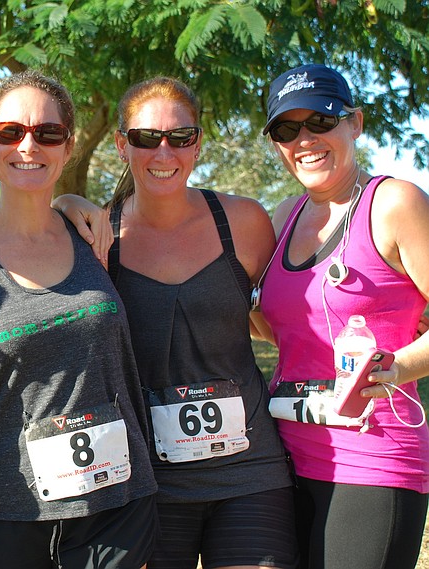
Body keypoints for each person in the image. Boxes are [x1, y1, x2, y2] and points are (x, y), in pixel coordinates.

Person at [58, 77, 298, 569]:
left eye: (179, 137)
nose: (163, 151)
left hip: (249, 468)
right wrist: (61, 202)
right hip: (148, 479)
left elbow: (282, 317)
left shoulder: (245, 223)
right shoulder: (97, 238)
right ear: (122, 145)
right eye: (146, 138)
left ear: (197, 144)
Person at [0, 70, 159, 569]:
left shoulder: (99, 237)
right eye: (10, 131)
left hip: (114, 504)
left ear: (68, 146)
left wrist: (69, 203)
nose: (28, 145)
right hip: (3, 508)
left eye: (47, 132)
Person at [259, 63, 429, 569]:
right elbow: (279, 326)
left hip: (373, 455)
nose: (304, 139)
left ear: (355, 122)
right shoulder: (283, 216)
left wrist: (396, 367)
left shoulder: (394, 202)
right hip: (285, 454)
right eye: (287, 130)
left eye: (321, 121)